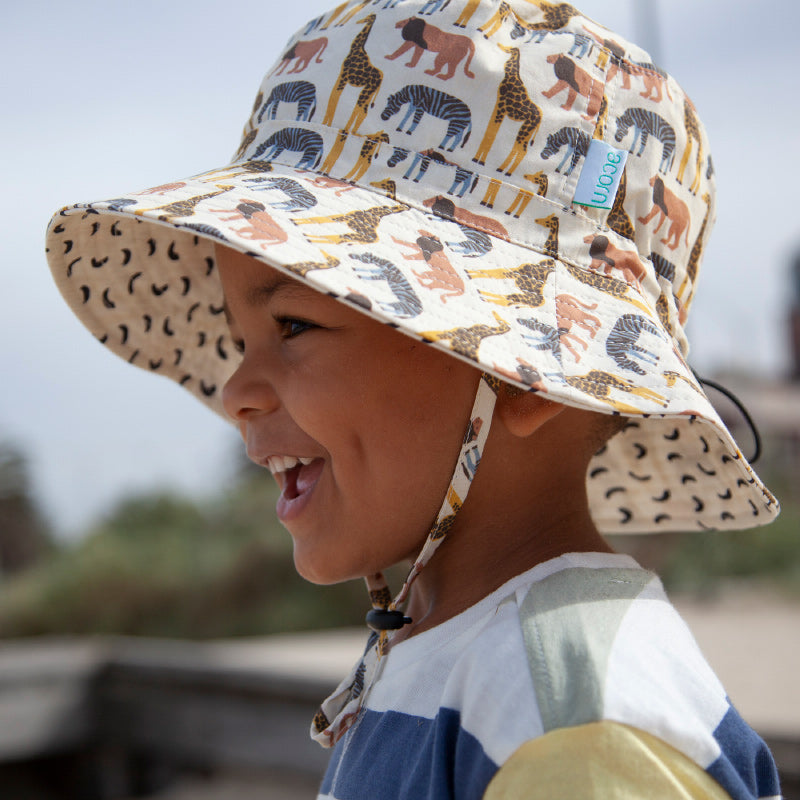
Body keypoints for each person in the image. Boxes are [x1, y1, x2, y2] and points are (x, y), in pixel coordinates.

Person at [46, 0, 783, 797]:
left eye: (293, 324)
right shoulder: (459, 657)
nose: (237, 393)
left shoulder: (576, 722)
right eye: (240, 338)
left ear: (523, 372)